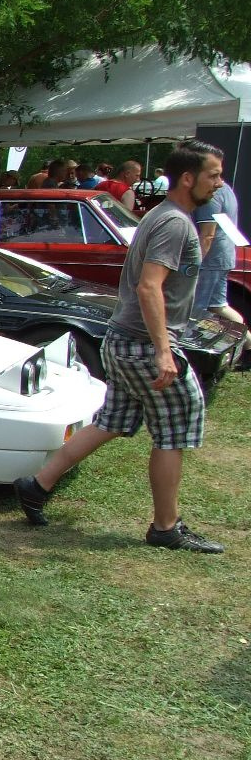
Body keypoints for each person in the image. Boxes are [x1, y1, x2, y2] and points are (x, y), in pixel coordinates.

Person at [14, 140, 226, 553]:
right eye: (213, 175)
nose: (219, 184)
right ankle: (166, 527)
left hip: (124, 340)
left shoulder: (169, 218)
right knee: (174, 430)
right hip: (146, 346)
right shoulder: (174, 223)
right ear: (188, 178)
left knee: (112, 421)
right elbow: (150, 286)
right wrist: (164, 351)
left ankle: (36, 486)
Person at [192, 182, 245, 331]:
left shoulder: (210, 193)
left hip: (211, 259)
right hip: (224, 254)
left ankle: (194, 350)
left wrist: (195, 264)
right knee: (218, 306)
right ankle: (245, 343)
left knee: (195, 311)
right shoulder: (226, 189)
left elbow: (207, 235)